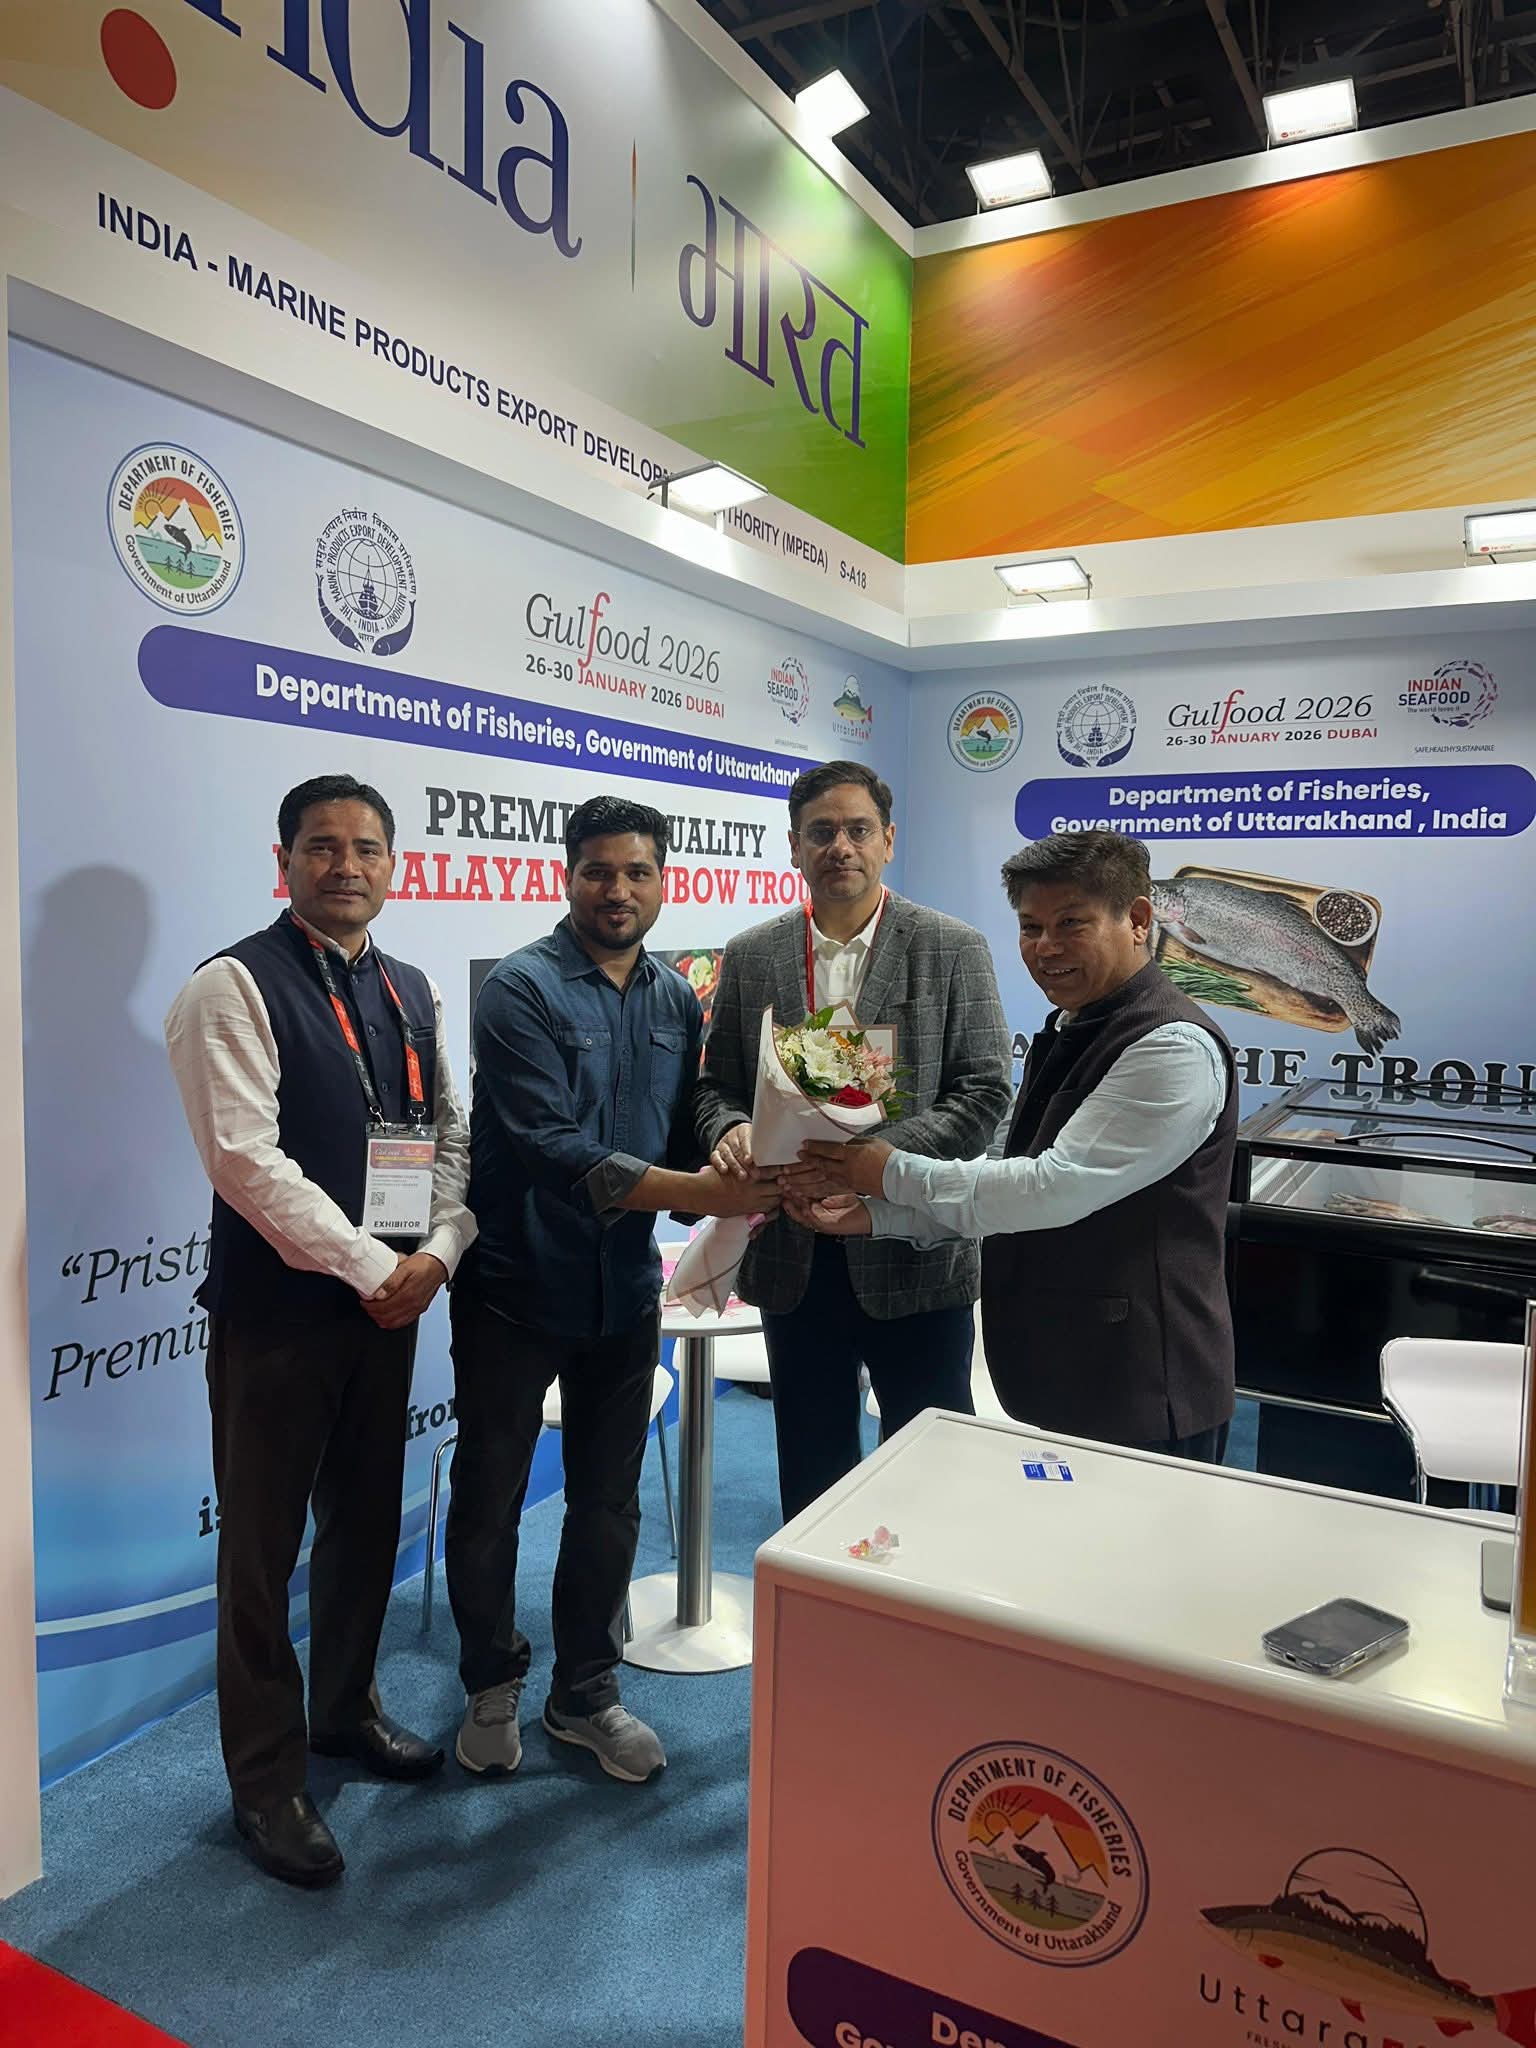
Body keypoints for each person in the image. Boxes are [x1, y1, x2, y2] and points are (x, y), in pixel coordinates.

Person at [165, 774, 475, 1889]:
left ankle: (345, 1711)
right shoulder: (232, 985)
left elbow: (447, 1133)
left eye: (367, 847)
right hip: (280, 1320)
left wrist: (440, 1248)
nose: (346, 865)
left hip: (387, 1309)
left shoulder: (409, 986)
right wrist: (377, 1267)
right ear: (285, 860)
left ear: (394, 864)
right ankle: (266, 1781)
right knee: (259, 1555)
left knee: (365, 1525)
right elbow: (245, 1161)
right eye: (322, 846)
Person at [446, 795, 776, 1786]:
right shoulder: (521, 987)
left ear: (663, 880)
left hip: (625, 1291)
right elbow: (550, 1145)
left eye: (637, 871)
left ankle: (584, 1691)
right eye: (598, 870)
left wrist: (727, 1140)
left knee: (607, 1504)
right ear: (569, 876)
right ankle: (491, 1680)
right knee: (491, 1499)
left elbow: (677, 1127)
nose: (618, 889)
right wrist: (704, 1191)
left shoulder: (675, 997)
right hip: (514, 1287)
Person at [793, 830, 1238, 1462]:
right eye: (1031, 927)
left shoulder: (1171, 1048)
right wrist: (880, 1215)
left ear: (1138, 920)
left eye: (1071, 923)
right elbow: (1009, 1179)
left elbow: (1049, 1189)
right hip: (1068, 1376)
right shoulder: (1076, 1026)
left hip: (1140, 1388)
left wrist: (888, 1173)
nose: (1046, 947)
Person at [695, 760, 1012, 1520]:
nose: (841, 846)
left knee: (932, 1480)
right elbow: (716, 1087)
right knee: (812, 1475)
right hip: (793, 1254)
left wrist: (870, 1167)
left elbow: (984, 1093)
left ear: (888, 841)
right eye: (822, 832)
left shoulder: (951, 947)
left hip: (914, 1251)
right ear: (794, 847)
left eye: (858, 830)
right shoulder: (753, 954)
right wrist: (730, 1129)